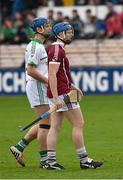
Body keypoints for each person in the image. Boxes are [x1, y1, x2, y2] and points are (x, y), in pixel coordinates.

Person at [44, 22, 103, 170]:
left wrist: (72, 85)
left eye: (71, 32)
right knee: (79, 123)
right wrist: (57, 97)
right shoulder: (57, 50)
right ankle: (84, 161)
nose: (71, 34)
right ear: (60, 34)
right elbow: (51, 75)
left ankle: (50, 162)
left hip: (61, 91)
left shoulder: (58, 49)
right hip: (62, 94)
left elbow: (60, 73)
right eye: (68, 32)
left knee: (55, 127)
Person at [10, 17, 52, 168]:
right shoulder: (35, 46)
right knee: (46, 124)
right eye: (47, 26)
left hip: (39, 86)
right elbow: (31, 70)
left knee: (45, 122)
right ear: (39, 29)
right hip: (38, 86)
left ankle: (19, 147)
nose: (49, 28)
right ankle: (45, 161)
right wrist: (48, 81)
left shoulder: (39, 45)